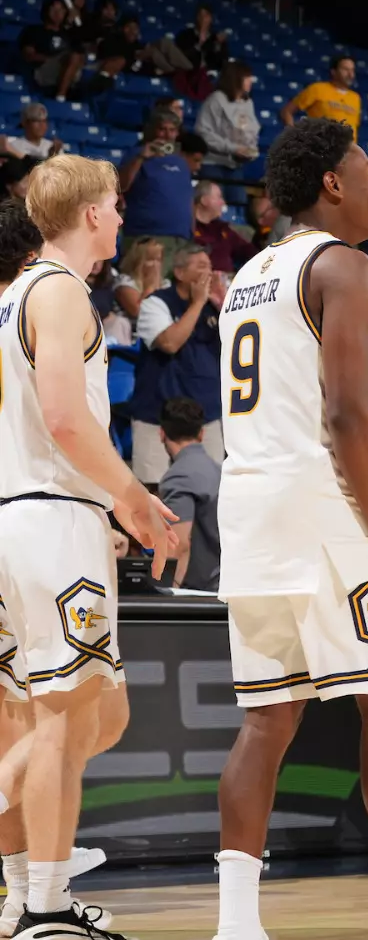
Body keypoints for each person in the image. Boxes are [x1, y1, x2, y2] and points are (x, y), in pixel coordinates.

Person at [210, 118, 368, 940]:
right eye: (366, 169)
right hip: (314, 504)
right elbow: (346, 413)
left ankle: (236, 926)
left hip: (248, 504)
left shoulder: (249, 273)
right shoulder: (346, 265)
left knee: (266, 718)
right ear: (331, 183)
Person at [0, 157, 177, 940]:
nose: (120, 213)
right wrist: (132, 497)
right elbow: (69, 421)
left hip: (21, 513)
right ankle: (42, 907)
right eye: (114, 204)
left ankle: (23, 892)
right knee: (64, 723)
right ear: (93, 215)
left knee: (76, 716)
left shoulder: (9, 298)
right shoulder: (62, 290)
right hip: (49, 518)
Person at [129, 244, 227, 484]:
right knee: (155, 490)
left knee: (211, 490)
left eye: (210, 266)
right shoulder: (157, 303)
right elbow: (170, 343)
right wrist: (197, 304)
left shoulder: (214, 306)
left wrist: (222, 301)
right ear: (180, 273)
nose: (209, 273)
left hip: (207, 414)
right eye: (201, 266)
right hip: (157, 416)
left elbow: (237, 345)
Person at [158, 395, 224, 592]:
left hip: (199, 593)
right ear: (202, 434)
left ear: (162, 434)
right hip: (225, 585)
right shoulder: (219, 471)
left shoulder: (177, 478)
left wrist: (171, 593)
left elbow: (179, 544)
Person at [119, 109, 194, 256]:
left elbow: (188, 199)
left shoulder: (181, 162)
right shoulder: (136, 154)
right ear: (152, 130)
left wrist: (191, 232)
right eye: (162, 129)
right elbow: (121, 186)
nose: (167, 135)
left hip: (181, 239)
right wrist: (141, 157)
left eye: (172, 130)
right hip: (146, 236)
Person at [195, 63, 262, 174]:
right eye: (247, 77)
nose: (251, 80)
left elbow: (250, 131)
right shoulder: (216, 99)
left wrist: (250, 149)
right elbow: (203, 132)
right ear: (235, 78)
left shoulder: (248, 102)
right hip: (213, 163)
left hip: (236, 165)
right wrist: (232, 149)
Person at [277, 53, 361, 132]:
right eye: (345, 69)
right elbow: (286, 111)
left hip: (348, 146)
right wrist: (292, 135)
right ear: (333, 71)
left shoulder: (356, 98)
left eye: (352, 70)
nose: (350, 75)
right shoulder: (317, 89)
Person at [191, 181, 256, 275]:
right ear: (204, 200)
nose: (223, 203)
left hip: (228, 282)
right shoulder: (188, 228)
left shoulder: (222, 228)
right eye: (219, 197)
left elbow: (248, 250)